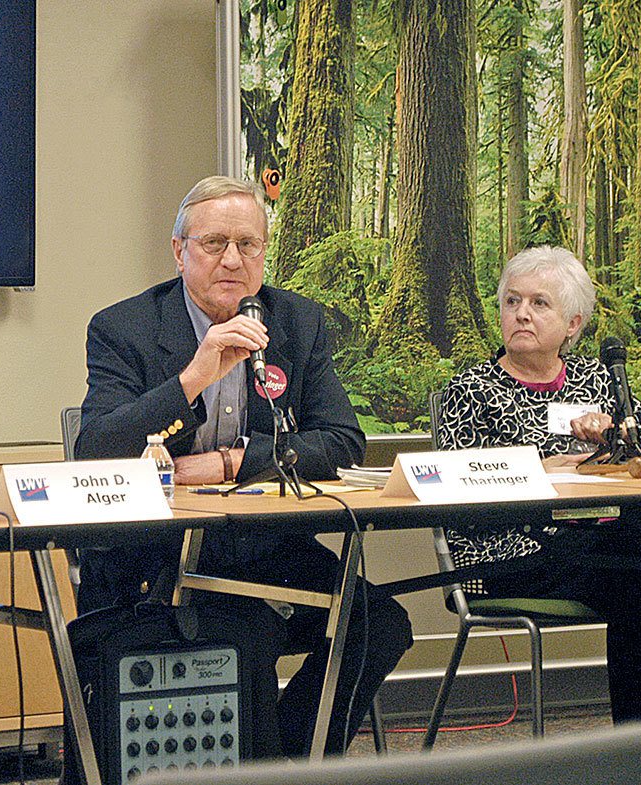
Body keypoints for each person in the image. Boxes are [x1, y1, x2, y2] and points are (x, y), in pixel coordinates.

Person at [75, 175, 413, 757]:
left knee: (378, 624)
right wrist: (194, 377)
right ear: (180, 251)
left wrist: (232, 461)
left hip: (265, 549)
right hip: (154, 558)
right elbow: (96, 452)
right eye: (214, 244)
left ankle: (295, 762)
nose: (232, 259)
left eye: (248, 245)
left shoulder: (297, 323)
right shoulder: (124, 328)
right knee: (242, 632)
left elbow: (341, 441)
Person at [436, 245, 641, 761]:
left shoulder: (597, 380)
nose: (521, 314)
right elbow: (459, 487)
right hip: (509, 555)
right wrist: (536, 467)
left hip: (601, 547)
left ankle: (635, 756)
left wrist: (617, 429)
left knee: (630, 568)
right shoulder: (471, 390)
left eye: (539, 303)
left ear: (573, 324)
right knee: (639, 567)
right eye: (512, 301)